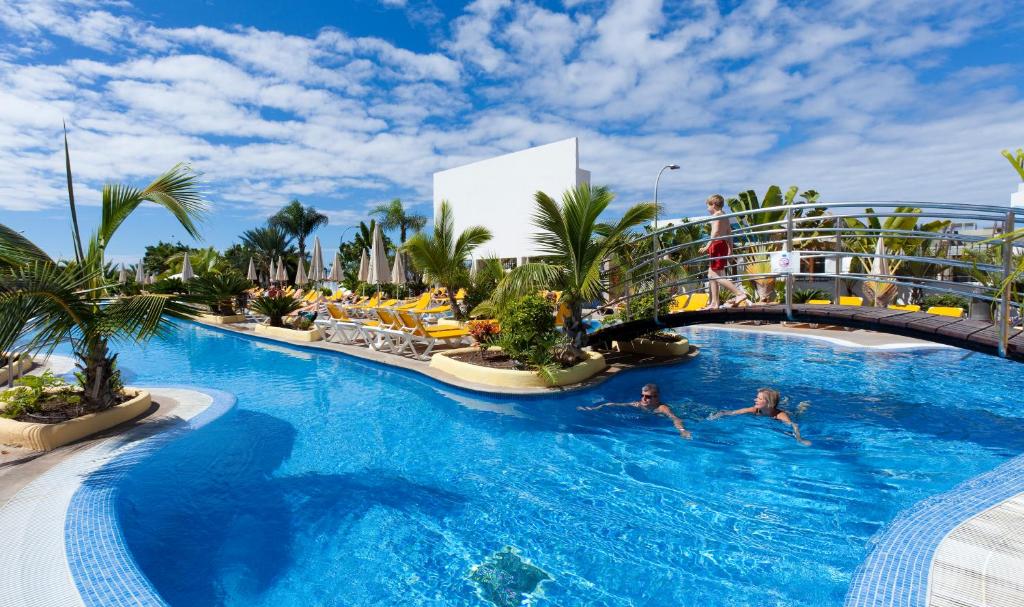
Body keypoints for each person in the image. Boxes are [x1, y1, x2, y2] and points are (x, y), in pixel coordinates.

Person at [578, 383, 692, 440]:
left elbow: (675, 418)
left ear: (656, 397)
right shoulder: (638, 404)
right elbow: (612, 404)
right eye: (642, 396)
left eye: (648, 397)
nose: (643, 399)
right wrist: (594, 408)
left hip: (671, 414)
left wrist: (682, 430)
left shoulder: (662, 408)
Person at [709, 387, 811, 445]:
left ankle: (801, 406)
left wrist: (800, 439)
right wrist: (718, 415)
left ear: (769, 403)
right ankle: (785, 401)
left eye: (759, 399)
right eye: (756, 397)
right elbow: (732, 412)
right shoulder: (755, 409)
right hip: (772, 408)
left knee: (797, 414)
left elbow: (795, 425)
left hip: (786, 414)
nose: (755, 400)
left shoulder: (780, 415)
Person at [701, 194, 748, 308]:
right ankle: (714, 302)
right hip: (722, 245)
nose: (707, 209)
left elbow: (715, 232)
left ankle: (739, 293)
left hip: (716, 244)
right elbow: (729, 234)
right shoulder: (725, 216)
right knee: (711, 274)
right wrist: (730, 250)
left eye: (708, 206)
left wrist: (707, 246)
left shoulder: (716, 215)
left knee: (715, 275)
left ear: (713, 205)